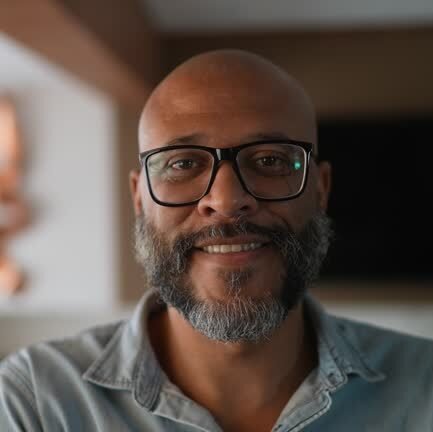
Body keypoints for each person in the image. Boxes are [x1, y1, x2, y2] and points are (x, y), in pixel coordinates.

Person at [1, 49, 432, 432]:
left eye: (270, 160)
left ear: (320, 190)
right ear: (139, 199)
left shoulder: (425, 388)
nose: (226, 201)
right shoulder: (35, 404)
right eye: (182, 163)